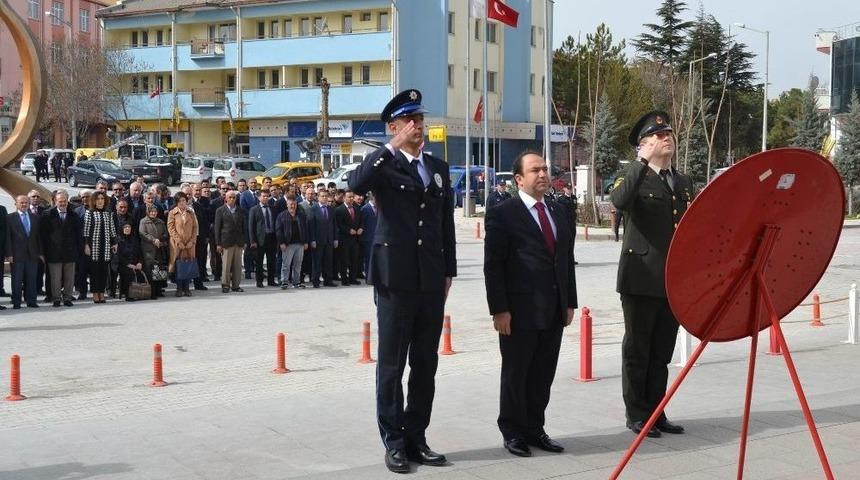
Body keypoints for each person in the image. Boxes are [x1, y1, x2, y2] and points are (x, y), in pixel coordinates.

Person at [348, 89, 456, 473]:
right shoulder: (384, 164)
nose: (417, 125)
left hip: (430, 278)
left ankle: (416, 438)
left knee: (425, 363)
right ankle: (393, 442)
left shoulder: (438, 168)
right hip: (395, 278)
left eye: (420, 119)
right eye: (410, 120)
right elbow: (356, 183)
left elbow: (445, 224)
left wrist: (448, 271)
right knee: (392, 365)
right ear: (394, 127)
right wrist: (390, 147)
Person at [484, 151, 577, 457]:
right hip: (518, 311)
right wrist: (499, 309)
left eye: (545, 169)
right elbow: (493, 265)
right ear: (519, 179)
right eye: (535, 170)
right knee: (516, 374)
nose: (543, 174)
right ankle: (512, 431)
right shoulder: (503, 213)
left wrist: (569, 302)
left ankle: (535, 428)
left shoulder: (557, 210)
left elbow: (565, 260)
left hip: (553, 309)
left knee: (542, 374)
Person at [610, 111, 694, 438]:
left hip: (671, 281)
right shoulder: (633, 176)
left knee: (661, 352)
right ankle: (637, 414)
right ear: (644, 144)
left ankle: (657, 413)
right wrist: (640, 162)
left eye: (669, 133)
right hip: (641, 278)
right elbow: (619, 200)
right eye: (659, 135)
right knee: (638, 350)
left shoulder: (682, 181)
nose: (667, 138)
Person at [41, 190, 82, 307]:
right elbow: (43, 235)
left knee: (69, 277)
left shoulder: (74, 215)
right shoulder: (47, 214)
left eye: (65, 201)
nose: (63, 203)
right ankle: (56, 298)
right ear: (55, 202)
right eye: (60, 201)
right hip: (54, 252)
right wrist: (43, 252)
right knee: (55, 277)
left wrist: (78, 250)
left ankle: (67, 297)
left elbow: (78, 234)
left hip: (70, 252)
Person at [6, 195, 43, 309]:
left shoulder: (35, 217)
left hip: (32, 254)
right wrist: (9, 254)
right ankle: (16, 302)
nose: (24, 205)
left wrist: (40, 253)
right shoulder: (10, 218)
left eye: (26, 202)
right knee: (17, 280)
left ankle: (31, 301)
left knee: (31, 279)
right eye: (21, 203)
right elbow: (8, 238)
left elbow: (38, 237)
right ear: (16, 204)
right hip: (16, 255)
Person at [83, 191, 117, 304]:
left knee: (103, 271)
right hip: (94, 246)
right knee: (94, 271)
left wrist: (115, 243)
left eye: (102, 198)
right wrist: (86, 245)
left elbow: (112, 229)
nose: (100, 201)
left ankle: (101, 292)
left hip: (106, 245)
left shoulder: (108, 212)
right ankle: (95, 293)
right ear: (94, 201)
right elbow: (86, 230)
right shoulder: (90, 212)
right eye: (98, 199)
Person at [213, 190, 246, 293]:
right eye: (230, 197)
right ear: (226, 198)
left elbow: (244, 227)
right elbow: (217, 228)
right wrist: (218, 243)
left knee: (237, 266)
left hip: (238, 242)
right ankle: (225, 285)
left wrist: (245, 241)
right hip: (226, 242)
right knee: (226, 266)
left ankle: (236, 285)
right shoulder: (220, 210)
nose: (232, 199)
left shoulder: (240, 210)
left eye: (234, 197)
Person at [166, 192, 198, 297]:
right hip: (177, 244)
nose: (182, 203)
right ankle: (179, 288)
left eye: (184, 200)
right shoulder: (172, 213)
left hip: (189, 244)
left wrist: (192, 241)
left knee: (188, 264)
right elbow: (171, 228)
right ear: (176, 202)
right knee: (178, 265)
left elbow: (195, 227)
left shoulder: (190, 212)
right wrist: (178, 241)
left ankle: (187, 288)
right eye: (179, 201)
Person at [275, 196, 308, 289]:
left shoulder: (301, 215)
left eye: (294, 204)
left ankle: (296, 282)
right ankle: (284, 282)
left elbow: (306, 229)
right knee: (286, 265)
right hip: (287, 244)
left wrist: (306, 242)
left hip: (300, 244)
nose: (292, 206)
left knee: (298, 265)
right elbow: (278, 230)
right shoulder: (281, 216)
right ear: (287, 205)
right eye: (290, 204)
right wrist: (281, 243)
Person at [248, 189, 278, 288]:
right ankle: (259, 281)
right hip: (260, 239)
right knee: (259, 262)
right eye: (263, 196)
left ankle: (271, 280)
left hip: (271, 237)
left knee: (271, 261)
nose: (266, 198)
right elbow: (251, 226)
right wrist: (253, 240)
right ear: (259, 197)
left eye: (267, 196)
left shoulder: (273, 208)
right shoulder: (254, 209)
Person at [139, 205, 168, 299]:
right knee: (149, 271)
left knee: (159, 270)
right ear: (148, 212)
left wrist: (160, 240)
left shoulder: (160, 222)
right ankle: (151, 292)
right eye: (151, 211)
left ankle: (158, 290)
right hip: (148, 250)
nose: (153, 213)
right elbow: (143, 234)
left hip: (159, 249)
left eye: (155, 211)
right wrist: (153, 240)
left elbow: (165, 233)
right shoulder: (143, 221)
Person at [335, 189, 363, 286]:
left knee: (354, 260)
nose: (351, 199)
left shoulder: (356, 208)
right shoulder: (339, 210)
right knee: (344, 260)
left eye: (352, 197)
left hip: (355, 239)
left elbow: (361, 221)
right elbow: (339, 224)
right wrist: (348, 230)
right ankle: (344, 279)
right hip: (344, 239)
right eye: (349, 197)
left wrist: (361, 228)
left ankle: (352, 278)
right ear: (344, 198)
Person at [116, 222, 143, 301]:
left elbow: (140, 252)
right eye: (125, 227)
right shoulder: (119, 240)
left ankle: (141, 293)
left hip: (135, 263)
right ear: (122, 229)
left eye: (129, 227)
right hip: (124, 264)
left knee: (145, 271)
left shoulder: (135, 239)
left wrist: (140, 262)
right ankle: (129, 294)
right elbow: (119, 256)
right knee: (128, 272)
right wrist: (128, 264)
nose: (127, 229)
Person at [191, 183, 211, 290]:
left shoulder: (199, 205)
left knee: (201, 259)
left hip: (200, 237)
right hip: (187, 239)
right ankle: (183, 284)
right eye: (196, 190)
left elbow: (205, 221)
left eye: (199, 190)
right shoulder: (179, 207)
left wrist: (206, 235)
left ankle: (199, 280)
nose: (197, 192)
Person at [359, 191, 378, 281]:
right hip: (367, 238)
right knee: (368, 259)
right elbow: (362, 223)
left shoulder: (379, 208)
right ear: (372, 197)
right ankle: (368, 277)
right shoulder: (365, 209)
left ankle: (375, 276)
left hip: (376, 237)